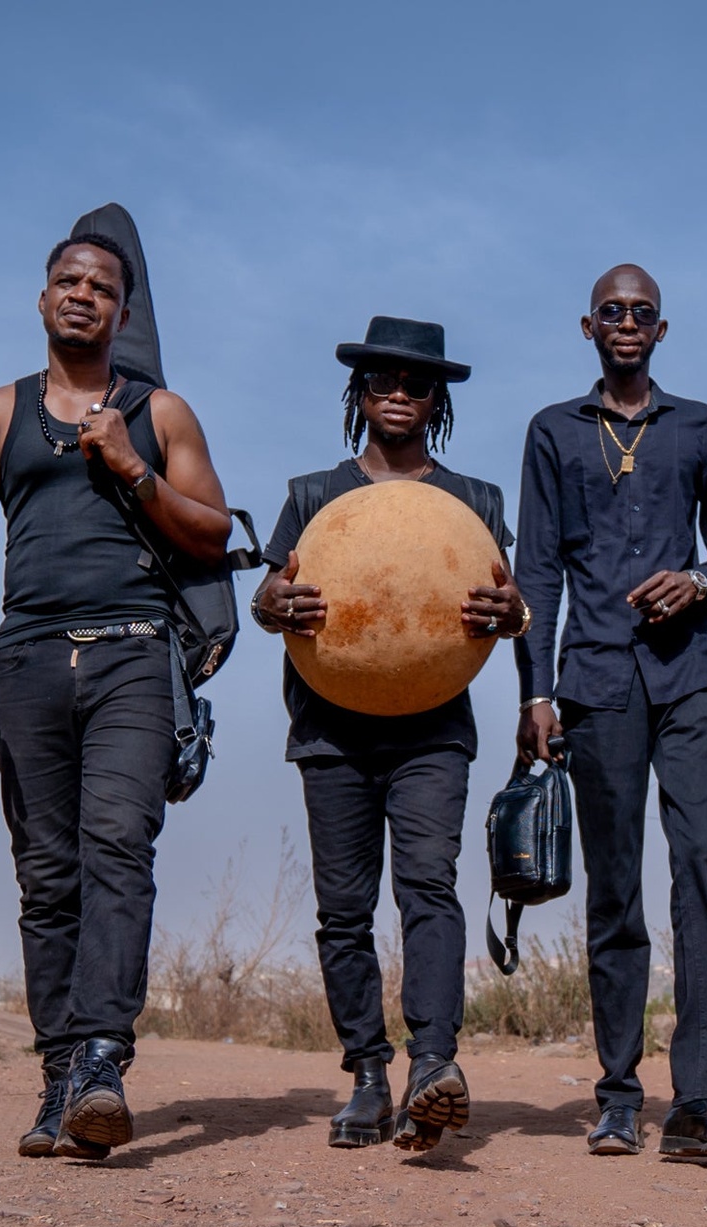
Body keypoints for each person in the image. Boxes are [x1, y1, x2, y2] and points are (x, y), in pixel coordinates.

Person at [0, 232, 231, 1159]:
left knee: (118, 846)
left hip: (133, 652)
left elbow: (214, 532)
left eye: (102, 287)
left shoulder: (161, 412)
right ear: (42, 298)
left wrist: (133, 465)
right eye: (68, 280)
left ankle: (103, 1059)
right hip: (26, 656)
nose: (82, 294)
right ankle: (60, 1074)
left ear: (123, 314)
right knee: (47, 872)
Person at [513, 265, 707, 1159]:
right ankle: (619, 1095)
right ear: (588, 327)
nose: (627, 322)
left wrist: (697, 579)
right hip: (594, 683)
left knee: (699, 867)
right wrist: (535, 692)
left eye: (643, 313)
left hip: (687, 677)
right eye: (612, 311)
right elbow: (536, 569)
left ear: (662, 331)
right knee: (614, 884)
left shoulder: (699, 426)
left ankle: (701, 1098)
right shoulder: (552, 430)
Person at [254, 317, 527, 1153]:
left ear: (437, 399)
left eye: (417, 384)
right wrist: (271, 604)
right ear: (359, 393)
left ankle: (433, 1064)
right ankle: (368, 1077)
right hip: (329, 730)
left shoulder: (476, 502)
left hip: (433, 729)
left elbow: (511, 604)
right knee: (344, 910)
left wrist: (512, 613)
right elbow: (269, 595)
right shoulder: (313, 495)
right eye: (382, 381)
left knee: (428, 888)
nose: (399, 395)